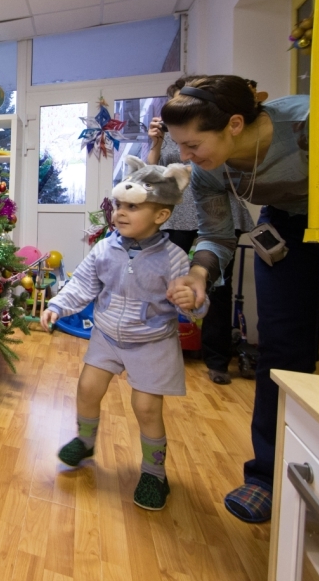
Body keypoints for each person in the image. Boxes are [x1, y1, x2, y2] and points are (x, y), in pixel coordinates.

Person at [162, 75, 318, 524]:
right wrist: (197, 273)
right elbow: (216, 235)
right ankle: (266, 478)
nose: (186, 158)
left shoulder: (309, 119)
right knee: (283, 350)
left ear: (233, 124)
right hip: (288, 227)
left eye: (193, 145)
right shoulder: (209, 173)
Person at [41, 156, 208, 511]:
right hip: (107, 334)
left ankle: (154, 473)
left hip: (153, 342)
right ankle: (85, 441)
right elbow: (83, 284)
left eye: (133, 207)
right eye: (119, 205)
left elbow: (194, 303)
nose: (121, 212)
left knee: (146, 407)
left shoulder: (174, 257)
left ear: (161, 216)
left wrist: (190, 300)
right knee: (87, 387)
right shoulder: (105, 248)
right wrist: (57, 305)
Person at [147, 80, 256, 385]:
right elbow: (150, 177)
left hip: (219, 213)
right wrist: (154, 144)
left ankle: (217, 359)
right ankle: (162, 349)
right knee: (170, 285)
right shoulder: (171, 135)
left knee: (218, 288)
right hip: (178, 217)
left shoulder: (215, 128)